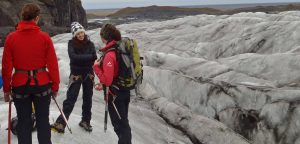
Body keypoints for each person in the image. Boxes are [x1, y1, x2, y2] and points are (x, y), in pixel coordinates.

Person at [2, 3, 60, 144]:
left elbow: (6, 67)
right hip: (42, 85)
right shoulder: (45, 38)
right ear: (37, 18)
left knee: (24, 123)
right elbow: (53, 65)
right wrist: (55, 86)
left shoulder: (11, 38)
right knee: (43, 122)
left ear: (22, 17)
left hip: (20, 86)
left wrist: (6, 90)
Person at [51, 22, 97, 133]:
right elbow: (73, 57)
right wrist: (88, 57)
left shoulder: (90, 43)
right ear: (74, 35)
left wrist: (82, 58)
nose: (80, 35)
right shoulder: (71, 44)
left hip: (88, 75)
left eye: (81, 32)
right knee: (70, 99)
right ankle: (61, 123)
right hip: (76, 75)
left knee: (88, 99)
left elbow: (94, 57)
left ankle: (86, 121)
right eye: (78, 34)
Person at [93, 24, 132, 144]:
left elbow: (108, 80)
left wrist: (96, 68)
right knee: (123, 123)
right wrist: (103, 84)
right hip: (124, 91)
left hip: (115, 96)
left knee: (121, 126)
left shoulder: (110, 54)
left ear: (104, 37)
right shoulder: (119, 49)